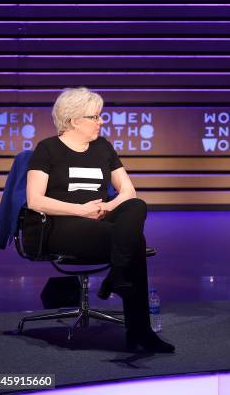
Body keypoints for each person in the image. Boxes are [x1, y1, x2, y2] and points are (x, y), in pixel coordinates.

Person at [26, 87, 174, 353]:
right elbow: (35, 200)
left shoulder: (103, 147)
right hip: (61, 224)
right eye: (95, 117)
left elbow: (128, 191)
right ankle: (140, 331)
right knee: (134, 243)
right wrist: (81, 210)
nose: (101, 121)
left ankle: (117, 276)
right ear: (73, 121)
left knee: (135, 206)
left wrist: (107, 207)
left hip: (98, 218)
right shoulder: (47, 149)